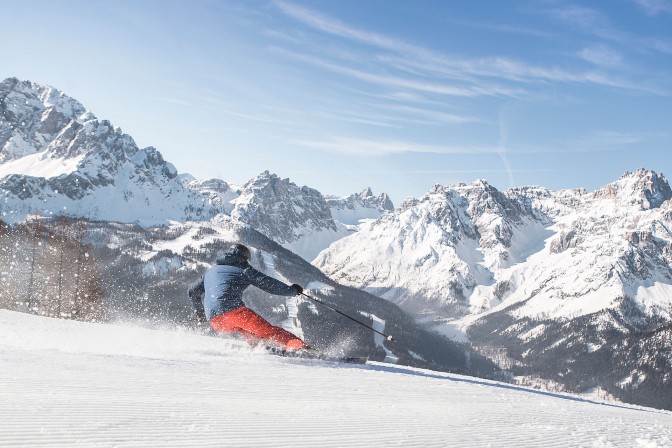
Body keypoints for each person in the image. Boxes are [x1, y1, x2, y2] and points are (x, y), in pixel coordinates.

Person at [189, 243, 309, 351]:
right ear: (244, 257)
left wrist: (200, 312)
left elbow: (192, 291)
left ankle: (258, 345)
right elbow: (268, 284)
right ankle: (301, 348)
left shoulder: (210, 271)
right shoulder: (243, 269)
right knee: (269, 331)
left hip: (215, 320)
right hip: (232, 311)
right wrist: (292, 290)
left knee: (245, 328)